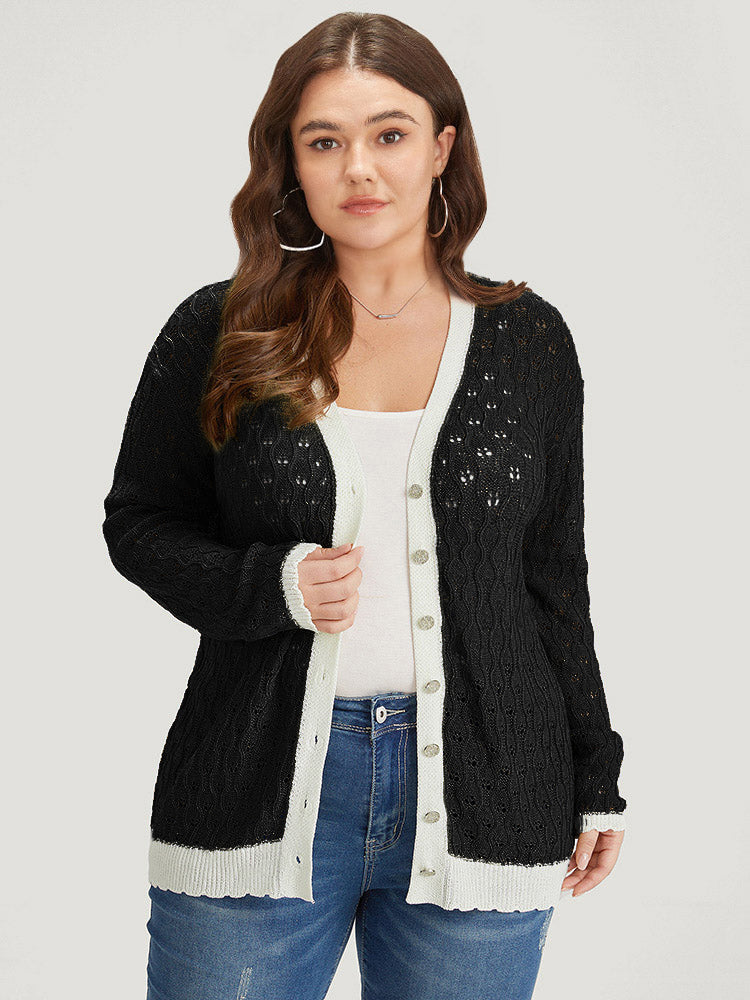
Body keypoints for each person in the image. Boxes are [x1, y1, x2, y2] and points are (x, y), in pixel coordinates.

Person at [102, 12, 628, 1000]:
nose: (360, 169)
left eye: (389, 134)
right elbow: (138, 523)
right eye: (324, 141)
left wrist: (596, 771)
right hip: (254, 784)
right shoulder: (221, 328)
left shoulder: (528, 341)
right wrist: (270, 582)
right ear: (290, 163)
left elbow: (553, 571)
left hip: (488, 788)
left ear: (442, 147)